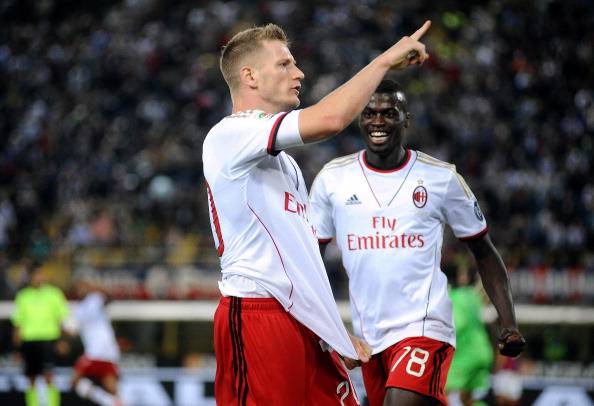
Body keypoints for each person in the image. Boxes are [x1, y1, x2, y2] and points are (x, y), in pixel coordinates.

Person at [203, 21, 431, 405]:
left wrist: (331, 330)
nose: (299, 73)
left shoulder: (286, 166)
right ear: (250, 76)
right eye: (284, 64)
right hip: (257, 319)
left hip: (303, 326)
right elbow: (330, 119)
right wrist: (383, 63)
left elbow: (302, 262)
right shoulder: (228, 136)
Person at [309, 80, 526, 406]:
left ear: (406, 119)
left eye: (388, 113)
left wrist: (509, 323)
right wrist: (332, 332)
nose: (378, 121)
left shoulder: (441, 178)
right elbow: (310, 263)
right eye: (369, 113)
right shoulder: (332, 179)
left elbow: (484, 252)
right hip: (370, 339)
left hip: (425, 328)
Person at [11, 261, 69, 406]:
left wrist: (62, 341)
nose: (39, 277)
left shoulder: (54, 294)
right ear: (31, 276)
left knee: (49, 376)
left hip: (48, 340)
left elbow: (61, 320)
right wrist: (17, 349)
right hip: (29, 341)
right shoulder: (23, 296)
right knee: (31, 378)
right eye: (36, 274)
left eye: (41, 274)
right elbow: (18, 324)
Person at [67, 276, 122, 406]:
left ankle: (110, 402)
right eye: (79, 287)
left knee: (111, 388)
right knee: (74, 382)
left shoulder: (95, 299)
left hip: (108, 350)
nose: (81, 289)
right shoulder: (77, 310)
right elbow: (72, 332)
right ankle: (109, 402)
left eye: (83, 286)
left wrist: (97, 287)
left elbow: (110, 298)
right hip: (93, 351)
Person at [445, 264, 493, 406]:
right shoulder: (472, 295)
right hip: (484, 351)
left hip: (465, 356)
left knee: (441, 391)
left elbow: (459, 324)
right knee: (468, 399)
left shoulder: (452, 298)